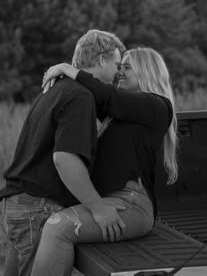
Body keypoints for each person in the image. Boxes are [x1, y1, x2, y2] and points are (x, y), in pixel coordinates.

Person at [30, 46, 178, 276]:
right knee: (48, 224)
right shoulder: (120, 114)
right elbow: (89, 95)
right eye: (119, 66)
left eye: (127, 67)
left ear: (146, 71)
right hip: (109, 199)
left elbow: (107, 96)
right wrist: (64, 79)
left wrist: (67, 68)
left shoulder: (158, 106)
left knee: (57, 228)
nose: (120, 72)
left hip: (131, 204)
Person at [0, 29, 126, 276]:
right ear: (102, 60)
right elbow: (65, 159)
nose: (119, 72)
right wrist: (98, 208)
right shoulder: (80, 97)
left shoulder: (55, 89)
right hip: (38, 209)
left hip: (16, 204)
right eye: (117, 64)